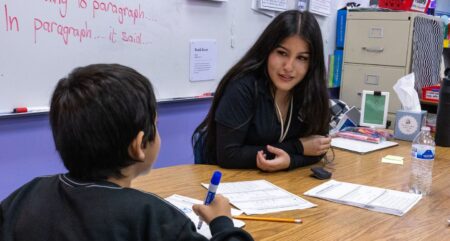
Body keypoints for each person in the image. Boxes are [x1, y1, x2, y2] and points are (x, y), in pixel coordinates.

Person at [0, 64, 253, 241]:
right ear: (139, 145)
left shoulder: (25, 195)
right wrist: (222, 223)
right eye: (156, 123)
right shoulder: (152, 217)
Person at [193, 10, 331, 172]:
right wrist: (298, 147)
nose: (288, 67)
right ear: (268, 50)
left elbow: (318, 148)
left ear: (312, 63)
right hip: (229, 181)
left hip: (280, 185)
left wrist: (290, 162)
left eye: (302, 58)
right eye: (282, 53)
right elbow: (229, 155)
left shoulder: (312, 90)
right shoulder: (242, 86)